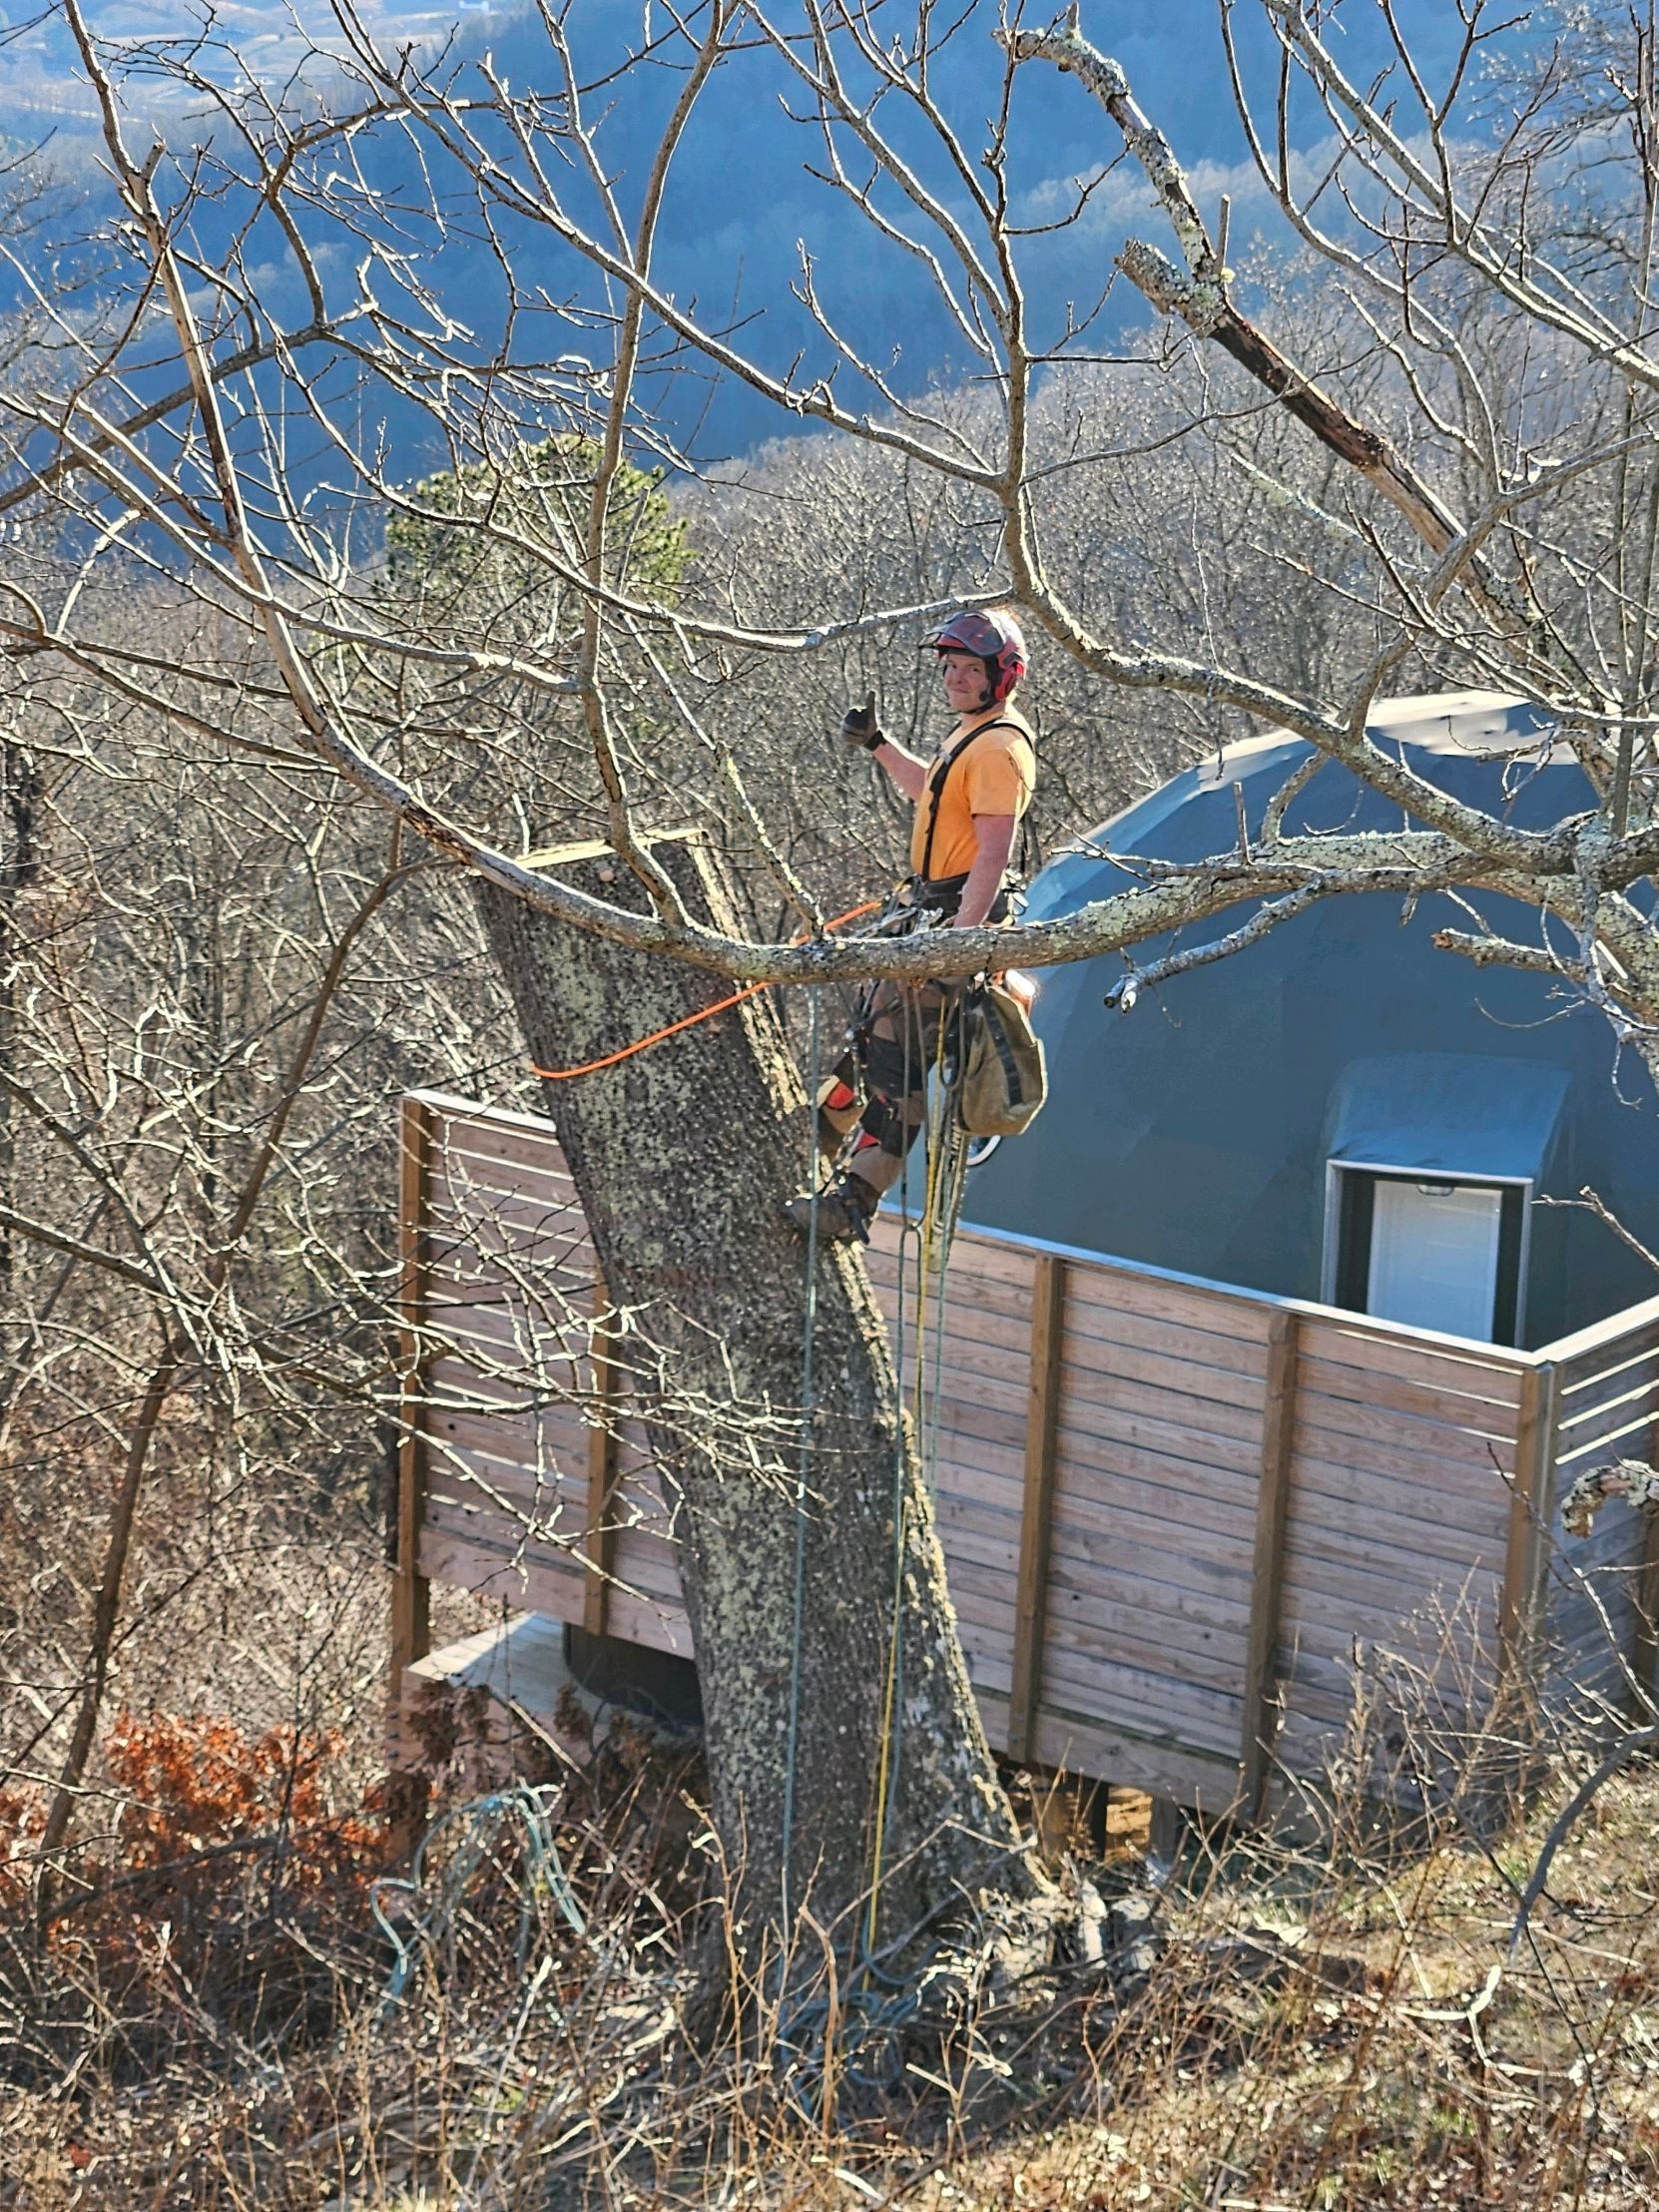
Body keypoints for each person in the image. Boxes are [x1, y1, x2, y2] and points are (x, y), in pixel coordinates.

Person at [786, 607, 1036, 1243]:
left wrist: (956, 941)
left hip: (955, 916)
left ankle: (854, 1203)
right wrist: (878, 744)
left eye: (968, 668)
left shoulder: (1001, 748)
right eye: (949, 665)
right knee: (873, 1034)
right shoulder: (972, 735)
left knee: (899, 1064)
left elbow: (994, 852)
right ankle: (816, 1131)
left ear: (999, 676)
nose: (953, 676)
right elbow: (934, 791)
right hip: (931, 911)